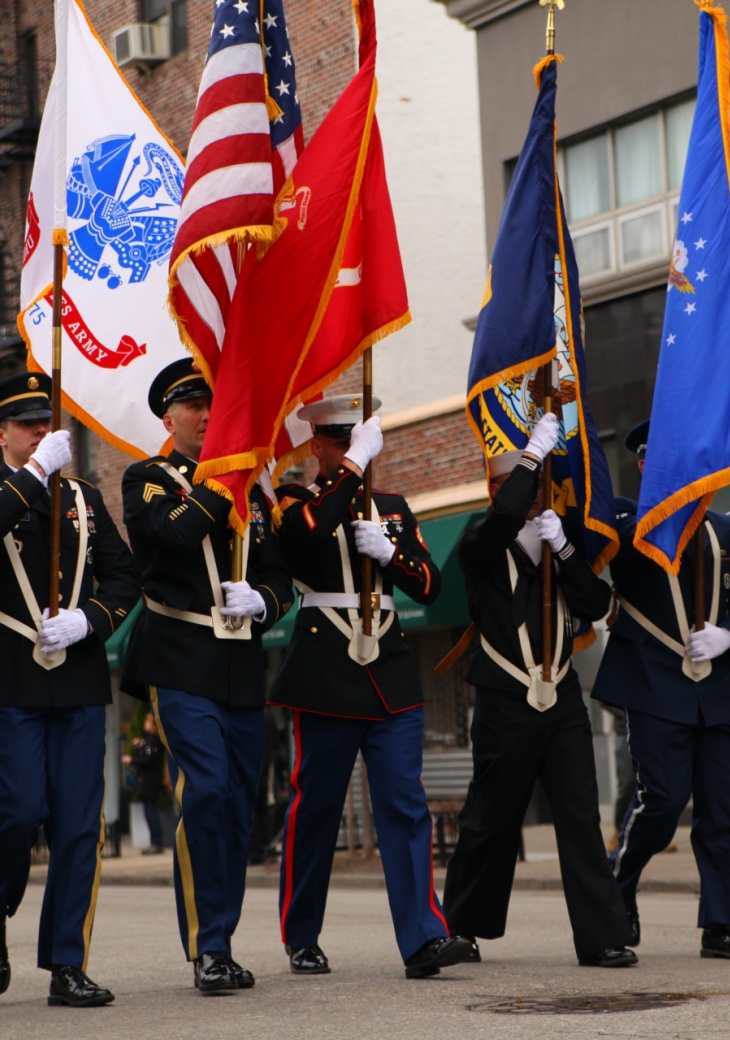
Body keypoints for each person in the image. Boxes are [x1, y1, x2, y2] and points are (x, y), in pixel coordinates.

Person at [0, 372, 141, 1008]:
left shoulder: (85, 497)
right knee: (21, 809)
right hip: (10, 677)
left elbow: (123, 575)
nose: (41, 431)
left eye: (46, 423)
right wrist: (33, 474)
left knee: (81, 826)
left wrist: (91, 619)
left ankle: (67, 964)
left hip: (79, 674)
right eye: (27, 425)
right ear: (0, 434)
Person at [270, 397, 469, 979]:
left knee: (406, 807)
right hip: (326, 672)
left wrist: (392, 552)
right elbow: (307, 539)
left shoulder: (393, 507)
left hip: (388, 670)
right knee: (317, 811)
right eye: (337, 441)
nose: (348, 449)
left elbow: (430, 584)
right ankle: (301, 934)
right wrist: (352, 469)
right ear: (317, 446)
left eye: (354, 440)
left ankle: (423, 939)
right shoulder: (296, 499)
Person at [120, 358, 294, 994]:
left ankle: (222, 935)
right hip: (178, 657)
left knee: (238, 806)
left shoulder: (252, 483)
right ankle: (208, 947)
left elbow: (279, 576)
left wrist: (265, 601)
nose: (205, 414)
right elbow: (173, 534)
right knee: (208, 791)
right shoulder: (148, 479)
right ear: (169, 418)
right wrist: (226, 476)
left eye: (213, 404)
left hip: (240, 663)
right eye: (193, 406)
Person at [442, 414, 637, 969]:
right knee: (491, 818)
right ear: (500, 488)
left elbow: (596, 606)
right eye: (524, 486)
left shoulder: (556, 540)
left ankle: (600, 936)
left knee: (579, 816)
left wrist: (567, 550)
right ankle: (462, 926)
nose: (533, 498)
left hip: (563, 697)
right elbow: (505, 515)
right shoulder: (479, 540)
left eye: (540, 485)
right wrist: (531, 453)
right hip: (505, 696)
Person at [593, 421, 730, 959]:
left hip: (716, 687)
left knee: (719, 810)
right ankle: (618, 888)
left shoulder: (722, 527)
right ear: (645, 466)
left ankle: (719, 924)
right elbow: (601, 553)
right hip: (653, 686)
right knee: (662, 803)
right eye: (654, 461)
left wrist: (729, 634)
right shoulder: (628, 521)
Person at [129, 712, 174, 854]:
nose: (145, 725)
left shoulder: (155, 740)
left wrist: (132, 760)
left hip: (150, 782)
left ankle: (157, 842)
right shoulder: (149, 740)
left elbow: (149, 759)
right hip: (145, 782)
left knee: (151, 812)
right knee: (148, 812)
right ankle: (154, 841)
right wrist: (140, 745)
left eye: (147, 722)